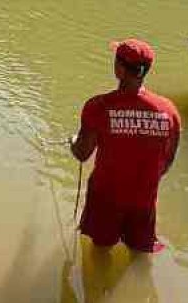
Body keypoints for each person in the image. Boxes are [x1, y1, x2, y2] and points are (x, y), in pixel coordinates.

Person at [69, 38, 180, 254]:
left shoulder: (98, 106)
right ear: (146, 70)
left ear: (119, 69)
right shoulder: (169, 110)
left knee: (100, 252)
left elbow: (82, 153)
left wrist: (73, 141)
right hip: (144, 200)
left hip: (105, 198)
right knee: (139, 255)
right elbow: (167, 162)